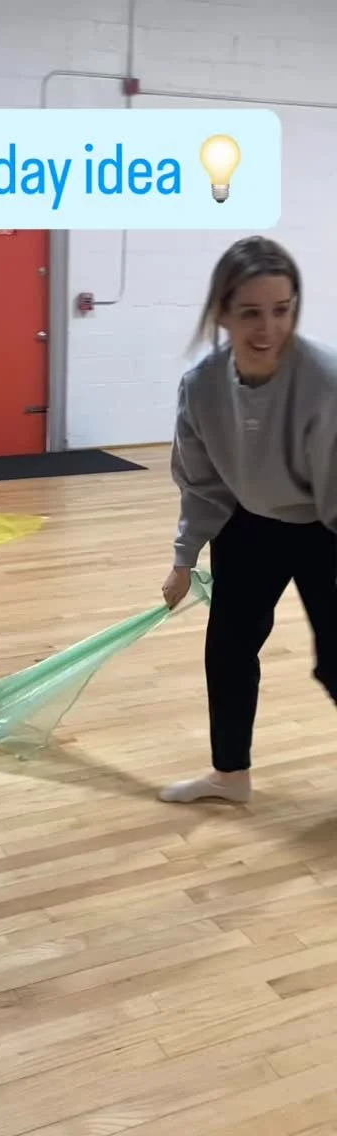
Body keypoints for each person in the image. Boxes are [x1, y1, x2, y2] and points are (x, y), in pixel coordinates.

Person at [160, 235, 337, 806]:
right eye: (251, 313)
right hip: (250, 525)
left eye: (282, 311)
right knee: (229, 652)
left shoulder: (326, 381)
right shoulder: (202, 387)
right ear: (223, 313)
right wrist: (184, 558)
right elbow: (201, 483)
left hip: (325, 528)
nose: (268, 329)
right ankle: (230, 775)